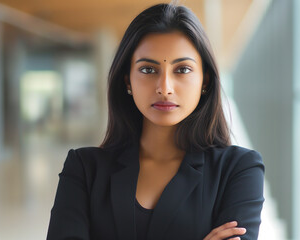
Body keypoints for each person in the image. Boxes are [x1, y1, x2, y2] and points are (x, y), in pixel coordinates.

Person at [47, 3, 264, 240]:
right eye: (148, 70)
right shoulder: (84, 169)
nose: (165, 88)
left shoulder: (238, 170)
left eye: (182, 69)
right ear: (127, 81)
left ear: (205, 80)